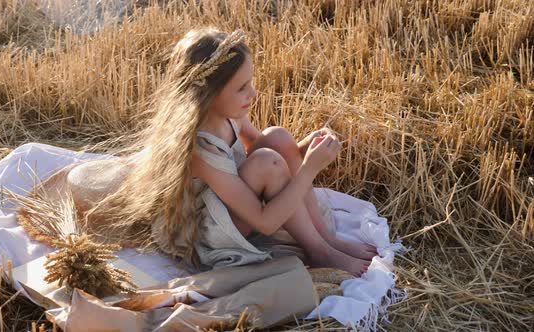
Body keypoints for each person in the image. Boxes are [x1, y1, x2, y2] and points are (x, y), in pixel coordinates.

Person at [25, 27, 376, 277]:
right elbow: (266, 220)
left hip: (232, 200)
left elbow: (265, 148)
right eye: (242, 87)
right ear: (206, 95)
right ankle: (318, 251)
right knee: (270, 162)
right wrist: (309, 169)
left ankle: (325, 237)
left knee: (279, 137)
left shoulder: (230, 114)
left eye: (251, 83)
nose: (252, 94)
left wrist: (303, 149)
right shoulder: (199, 149)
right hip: (208, 232)